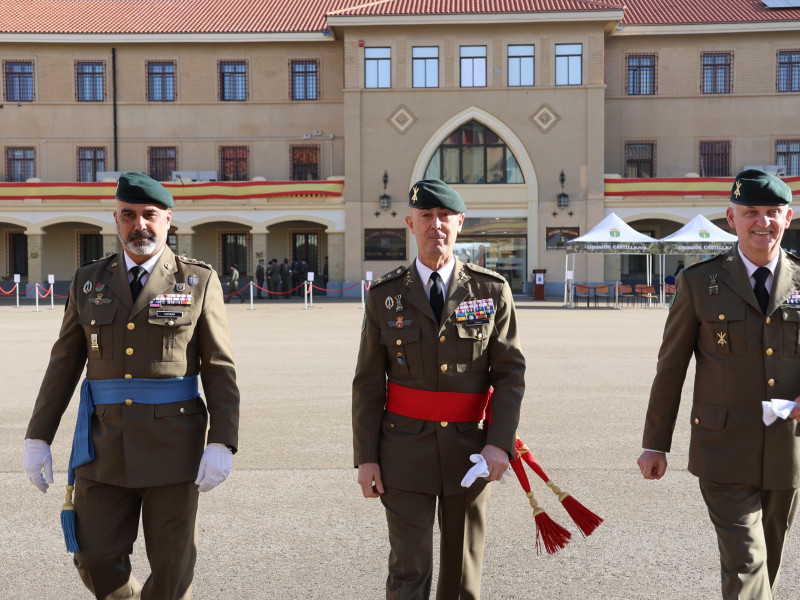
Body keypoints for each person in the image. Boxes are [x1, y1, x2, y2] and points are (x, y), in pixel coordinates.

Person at [22, 172, 240, 600]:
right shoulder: (88, 281)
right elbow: (64, 364)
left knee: (173, 566)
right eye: (129, 215)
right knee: (95, 557)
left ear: (168, 219)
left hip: (174, 447)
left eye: (149, 215)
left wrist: (223, 441)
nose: (139, 224)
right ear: (116, 219)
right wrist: (38, 436)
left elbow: (219, 368)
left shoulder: (196, 280)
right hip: (102, 445)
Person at [352, 179, 526, 599]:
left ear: (460, 223)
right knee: (408, 574)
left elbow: (509, 375)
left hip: (471, 453)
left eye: (445, 216)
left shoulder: (491, 290)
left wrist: (500, 445)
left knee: (462, 580)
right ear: (410, 224)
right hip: (403, 452)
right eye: (426, 217)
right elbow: (369, 384)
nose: (436, 226)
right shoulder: (385, 296)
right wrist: (366, 459)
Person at [638, 168, 800, 600]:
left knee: (769, 558)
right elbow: (671, 368)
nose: (762, 222)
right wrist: (656, 443)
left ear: (789, 218)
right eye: (751, 212)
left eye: (772, 213)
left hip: (789, 448)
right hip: (723, 448)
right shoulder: (698, 283)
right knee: (746, 562)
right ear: (731, 217)